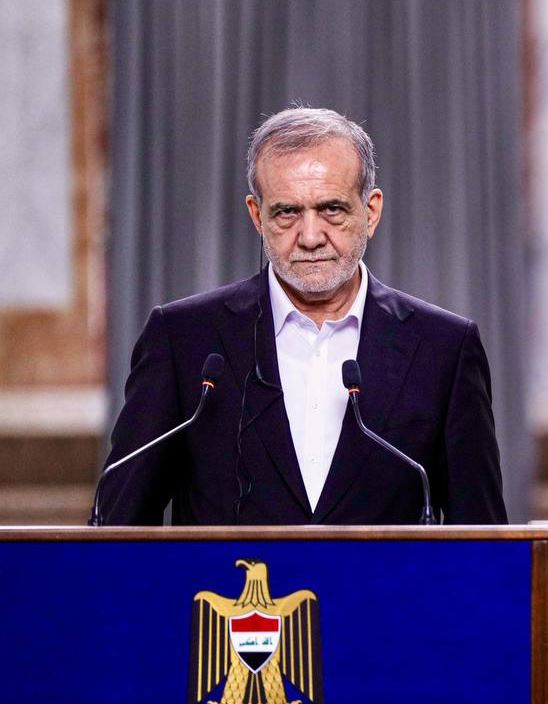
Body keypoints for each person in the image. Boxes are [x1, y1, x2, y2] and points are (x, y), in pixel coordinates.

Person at [98, 107, 506, 525]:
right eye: (287, 213)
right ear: (257, 216)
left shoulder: (444, 350)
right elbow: (118, 531)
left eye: (332, 209)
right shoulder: (184, 340)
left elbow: (483, 539)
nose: (310, 237)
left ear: (371, 212)